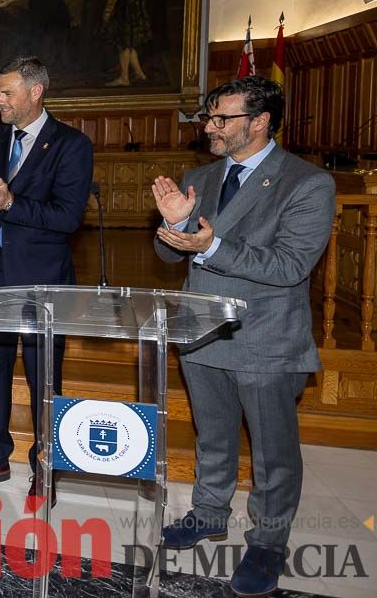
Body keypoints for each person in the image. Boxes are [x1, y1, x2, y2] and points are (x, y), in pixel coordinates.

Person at [152, 76, 335, 597]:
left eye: (221, 119)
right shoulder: (201, 175)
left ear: (259, 122)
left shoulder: (306, 183)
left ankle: (268, 542)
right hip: (203, 331)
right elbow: (171, 254)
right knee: (212, 435)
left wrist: (209, 245)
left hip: (267, 337)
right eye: (210, 116)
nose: (210, 126)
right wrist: (174, 228)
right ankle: (208, 511)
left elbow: (290, 265)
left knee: (273, 451)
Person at [0, 57, 93, 507]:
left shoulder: (71, 144)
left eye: (6, 93)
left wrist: (11, 203)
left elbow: (68, 217)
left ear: (35, 92)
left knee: (43, 379)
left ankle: (45, 466)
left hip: (43, 283)